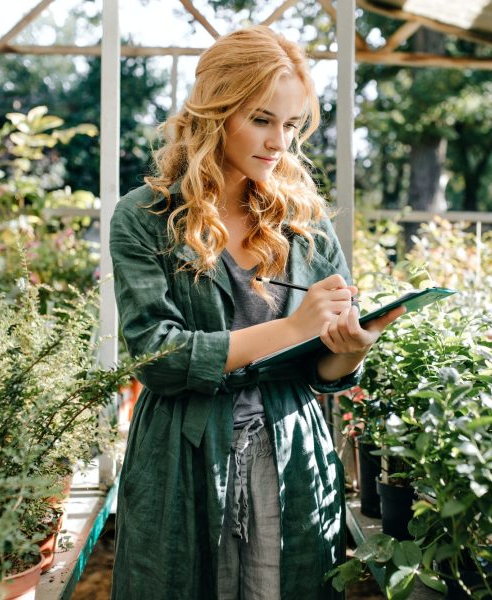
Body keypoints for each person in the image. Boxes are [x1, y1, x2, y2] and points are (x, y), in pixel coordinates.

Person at [109, 25, 403, 600]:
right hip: (185, 452)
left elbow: (322, 371)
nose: (280, 143)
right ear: (215, 112)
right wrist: (292, 327)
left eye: (292, 126)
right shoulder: (145, 217)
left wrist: (348, 350)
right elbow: (158, 356)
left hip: (290, 450)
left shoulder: (305, 222)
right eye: (263, 119)